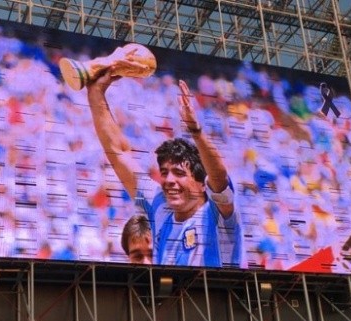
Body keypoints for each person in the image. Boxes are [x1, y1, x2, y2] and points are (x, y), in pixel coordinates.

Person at [86, 64, 243, 268]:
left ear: (201, 184)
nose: (169, 180)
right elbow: (119, 153)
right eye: (164, 173)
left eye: (179, 173)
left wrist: (196, 131)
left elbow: (219, 179)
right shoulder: (161, 208)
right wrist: (96, 92)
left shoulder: (217, 216)